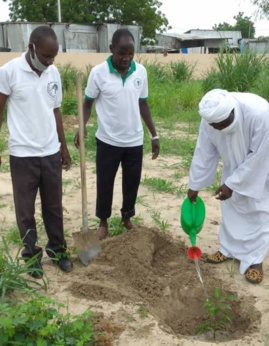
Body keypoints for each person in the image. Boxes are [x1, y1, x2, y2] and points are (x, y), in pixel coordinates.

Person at [0, 26, 73, 278]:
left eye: (54, 57)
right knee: (25, 210)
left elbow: (56, 111)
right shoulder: (9, 72)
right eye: (45, 57)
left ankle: (58, 250)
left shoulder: (53, 73)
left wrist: (63, 147)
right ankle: (31, 256)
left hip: (50, 152)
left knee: (53, 207)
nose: (50, 61)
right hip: (22, 155)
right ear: (31, 48)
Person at [74, 28, 160, 239]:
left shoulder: (140, 72)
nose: (126, 58)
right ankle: (103, 221)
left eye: (130, 53)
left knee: (132, 181)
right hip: (108, 140)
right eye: (122, 53)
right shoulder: (98, 73)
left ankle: (126, 217)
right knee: (105, 182)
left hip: (134, 140)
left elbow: (143, 104)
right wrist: (82, 126)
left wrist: (154, 135)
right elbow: (87, 104)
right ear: (111, 49)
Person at [187, 88, 269, 284]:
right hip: (234, 167)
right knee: (230, 208)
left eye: (222, 125)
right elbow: (204, 151)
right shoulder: (210, 120)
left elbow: (259, 156)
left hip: (262, 166)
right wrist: (195, 184)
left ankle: (256, 260)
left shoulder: (260, 113)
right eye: (214, 126)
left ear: (232, 112)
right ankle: (228, 249)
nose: (218, 129)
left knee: (259, 210)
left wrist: (232, 184)